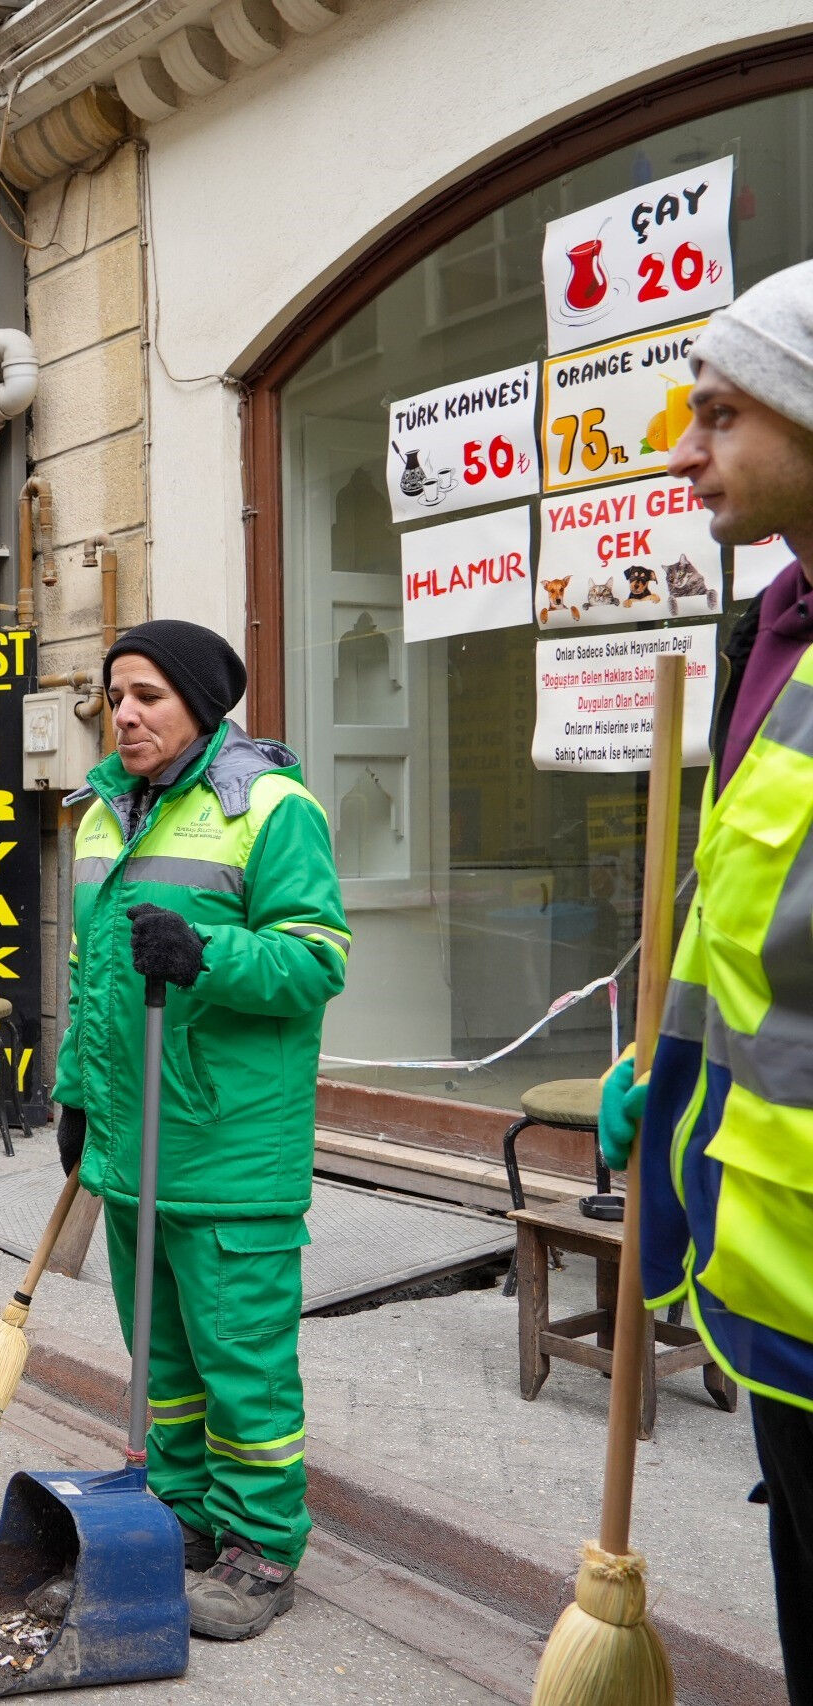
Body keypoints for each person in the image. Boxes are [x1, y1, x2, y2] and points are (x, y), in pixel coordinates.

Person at [45, 618, 350, 1641]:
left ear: (200, 705)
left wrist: (206, 953)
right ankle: (179, 1511)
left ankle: (262, 1546)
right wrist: (77, 1094)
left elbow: (315, 961)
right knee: (160, 1356)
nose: (124, 714)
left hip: (229, 1147)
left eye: (148, 696)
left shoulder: (270, 807)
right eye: (114, 695)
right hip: (134, 1144)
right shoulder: (97, 815)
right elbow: (89, 980)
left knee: (241, 1360)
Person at [621, 257, 813, 1703]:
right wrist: (667, 1076)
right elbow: (741, 929)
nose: (684, 449)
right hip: (771, 1285)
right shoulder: (777, 632)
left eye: (722, 411)